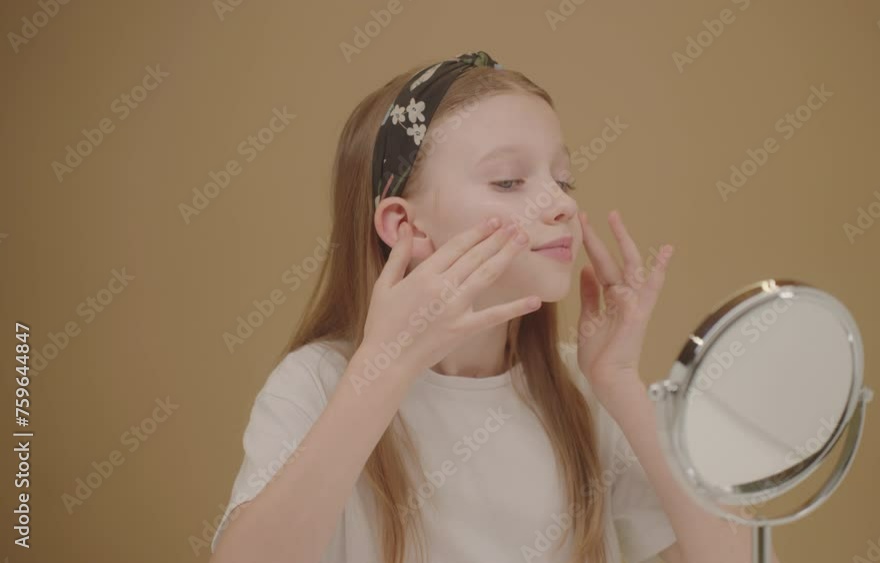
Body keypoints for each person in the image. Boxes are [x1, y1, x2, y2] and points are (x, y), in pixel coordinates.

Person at [209, 51, 765, 563]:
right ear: (404, 225)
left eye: (564, 179)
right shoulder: (315, 382)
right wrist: (386, 367)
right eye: (509, 181)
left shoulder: (584, 394)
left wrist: (619, 382)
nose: (560, 203)